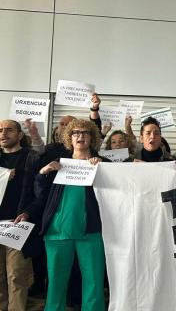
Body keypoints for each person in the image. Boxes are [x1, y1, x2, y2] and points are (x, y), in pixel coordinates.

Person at [16, 119, 109, 311]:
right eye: (75, 133)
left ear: (92, 137)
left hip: (92, 231)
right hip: (57, 231)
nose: (80, 136)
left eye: (85, 132)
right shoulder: (57, 163)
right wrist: (43, 172)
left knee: (94, 283)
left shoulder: (103, 164)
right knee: (56, 284)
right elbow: (40, 196)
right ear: (69, 137)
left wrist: (102, 170)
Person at [0, 120, 39, 311]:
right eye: (0, 130)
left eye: (9, 130)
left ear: (20, 135)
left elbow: (40, 192)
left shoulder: (31, 158)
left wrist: (28, 212)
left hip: (18, 224)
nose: (3, 133)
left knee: (16, 275)